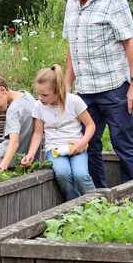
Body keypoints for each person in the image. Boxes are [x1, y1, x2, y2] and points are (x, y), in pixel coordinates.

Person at [61, 0, 133, 188]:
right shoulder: (71, 4)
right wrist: (66, 86)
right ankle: (97, 194)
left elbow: (131, 44)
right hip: (84, 91)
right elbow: (72, 47)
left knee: (123, 142)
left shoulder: (113, 0)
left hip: (114, 87)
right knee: (89, 144)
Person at [21, 64, 96, 201]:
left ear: (58, 91)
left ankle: (96, 203)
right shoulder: (38, 106)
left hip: (76, 147)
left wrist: (82, 143)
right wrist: (31, 154)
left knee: (81, 175)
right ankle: (74, 203)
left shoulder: (74, 101)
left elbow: (90, 125)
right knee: (62, 173)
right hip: (54, 149)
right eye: (38, 94)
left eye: (44, 95)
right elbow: (38, 133)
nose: (40, 98)